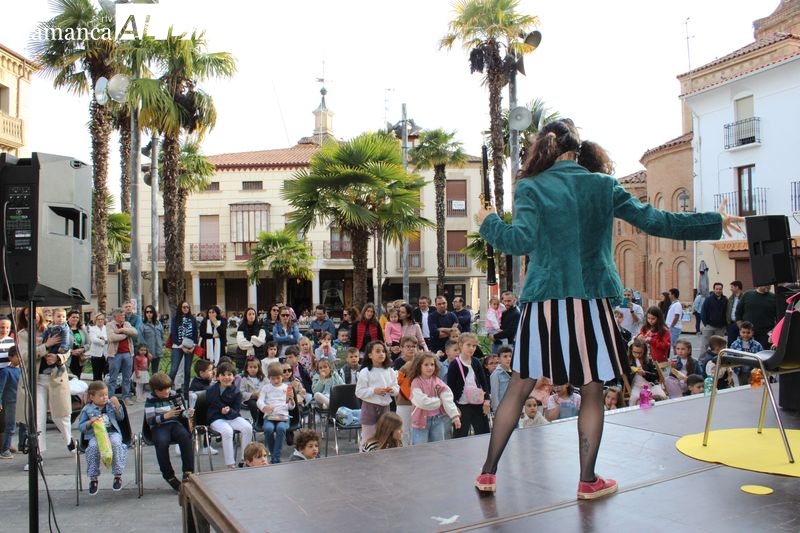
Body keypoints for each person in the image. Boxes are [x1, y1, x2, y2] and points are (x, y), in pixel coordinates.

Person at [474, 118, 742, 498]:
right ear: (579, 149)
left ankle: (487, 473)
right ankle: (587, 481)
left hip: (543, 301)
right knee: (593, 389)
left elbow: (520, 241)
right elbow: (655, 219)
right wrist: (714, 222)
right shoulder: (603, 185)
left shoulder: (530, 186)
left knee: (519, 386)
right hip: (590, 300)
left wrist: (488, 224)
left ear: (545, 148)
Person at [144, 373, 194, 490]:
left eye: (168, 388)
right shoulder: (150, 400)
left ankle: (188, 471)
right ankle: (168, 475)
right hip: (159, 426)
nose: (167, 391)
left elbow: (181, 413)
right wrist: (165, 416)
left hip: (175, 424)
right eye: (164, 390)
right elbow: (150, 420)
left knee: (186, 437)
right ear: (156, 391)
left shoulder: (174, 395)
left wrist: (188, 413)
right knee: (161, 442)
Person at [77, 381, 127, 494]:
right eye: (101, 395)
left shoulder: (110, 405)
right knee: (93, 447)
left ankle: (118, 475)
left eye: (106, 394)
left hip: (112, 432)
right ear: (92, 397)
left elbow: (121, 418)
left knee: (115, 443)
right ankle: (93, 478)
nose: (104, 397)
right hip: (96, 435)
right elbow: (81, 427)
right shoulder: (87, 409)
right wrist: (90, 422)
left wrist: (117, 405)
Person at [207, 362, 253, 468]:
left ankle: (245, 459)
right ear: (218, 377)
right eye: (223, 375)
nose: (226, 377)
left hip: (232, 416)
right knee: (227, 431)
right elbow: (212, 401)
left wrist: (229, 411)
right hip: (216, 418)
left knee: (248, 427)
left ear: (234, 376)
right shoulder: (211, 389)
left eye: (229, 375)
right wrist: (221, 409)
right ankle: (230, 463)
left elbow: (236, 410)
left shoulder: (237, 392)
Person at [408, 352, 460, 444]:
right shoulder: (416, 382)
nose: (430, 367)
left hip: (438, 419)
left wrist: (454, 416)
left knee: (438, 446)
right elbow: (421, 402)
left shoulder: (437, 381)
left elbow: (447, 398)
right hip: (420, 422)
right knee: (420, 448)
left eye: (432, 364)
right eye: (426, 365)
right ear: (419, 366)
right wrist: (439, 402)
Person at [447, 332, 490, 438]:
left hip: (477, 402)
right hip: (462, 404)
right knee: (461, 434)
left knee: (483, 432)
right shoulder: (454, 364)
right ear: (461, 345)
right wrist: (454, 406)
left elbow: (483, 382)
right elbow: (450, 387)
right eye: (469, 345)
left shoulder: (476, 362)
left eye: (474, 346)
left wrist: (487, 400)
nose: (472, 348)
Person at [355, 340, 398, 445]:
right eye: (378, 351)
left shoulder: (390, 371)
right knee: (368, 438)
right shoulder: (365, 372)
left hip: (386, 408)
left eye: (383, 351)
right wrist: (374, 391)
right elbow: (359, 392)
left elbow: (396, 387)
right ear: (370, 355)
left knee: (385, 438)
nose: (381, 354)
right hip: (369, 408)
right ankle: (366, 458)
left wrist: (392, 390)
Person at [257, 362, 295, 464]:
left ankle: (275, 458)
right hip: (269, 416)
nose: (276, 381)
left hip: (283, 416)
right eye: (273, 379)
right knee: (268, 429)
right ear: (269, 378)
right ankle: (275, 454)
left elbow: (291, 407)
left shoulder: (286, 388)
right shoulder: (266, 388)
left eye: (278, 378)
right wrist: (265, 407)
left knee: (281, 428)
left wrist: (291, 401)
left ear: (282, 376)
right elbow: (259, 401)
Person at [169, 302, 199, 399]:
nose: (186, 308)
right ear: (180, 308)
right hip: (178, 346)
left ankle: (186, 392)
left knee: (187, 370)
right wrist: (182, 346)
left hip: (190, 347)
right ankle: (166, 389)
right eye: (184, 307)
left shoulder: (192, 319)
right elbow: (173, 333)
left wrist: (193, 346)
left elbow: (195, 333)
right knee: (174, 369)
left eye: (187, 307)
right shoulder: (175, 319)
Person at [735, 286, 777, 350]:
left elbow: (779, 318)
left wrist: (772, 333)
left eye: (769, 284)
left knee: (763, 357)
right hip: (747, 335)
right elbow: (738, 314)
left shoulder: (774, 298)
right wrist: (742, 330)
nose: (768, 286)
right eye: (766, 284)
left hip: (765, 336)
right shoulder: (747, 295)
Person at [0, 347, 21, 458]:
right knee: (10, 426)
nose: (20, 358)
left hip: (21, 400)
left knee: (24, 424)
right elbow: (1, 388)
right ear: (10, 357)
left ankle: (22, 445)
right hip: (10, 402)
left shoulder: (23, 370)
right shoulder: (5, 371)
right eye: (17, 356)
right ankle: (5, 450)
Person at [729, 321, 764, 386]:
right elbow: (730, 356)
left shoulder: (757, 345)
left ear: (752, 332)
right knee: (743, 387)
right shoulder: (735, 344)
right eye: (743, 332)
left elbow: (761, 356)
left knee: (754, 386)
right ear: (740, 332)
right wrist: (733, 368)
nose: (745, 335)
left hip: (753, 370)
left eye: (748, 332)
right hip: (740, 371)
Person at [701, 283, 728, 348]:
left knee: (719, 345)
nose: (718, 291)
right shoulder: (708, 300)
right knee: (705, 344)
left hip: (720, 328)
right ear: (714, 290)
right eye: (717, 289)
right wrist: (706, 324)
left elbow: (727, 312)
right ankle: (702, 358)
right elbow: (703, 312)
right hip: (709, 326)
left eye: (720, 289)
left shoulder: (725, 300)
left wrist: (725, 325)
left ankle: (719, 358)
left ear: (722, 290)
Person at [139, 305, 164, 375]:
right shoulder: (142, 325)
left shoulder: (159, 324)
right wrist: (147, 352)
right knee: (144, 371)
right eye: (147, 312)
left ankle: (154, 385)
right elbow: (141, 340)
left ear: (154, 313)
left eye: (151, 312)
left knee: (155, 372)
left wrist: (161, 347)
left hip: (157, 352)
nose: (149, 314)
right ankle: (144, 385)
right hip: (147, 353)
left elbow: (162, 337)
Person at [240, 357, 265, 423]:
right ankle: (256, 420)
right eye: (250, 367)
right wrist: (252, 395)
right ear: (247, 368)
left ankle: (263, 418)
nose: (252, 369)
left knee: (263, 403)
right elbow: (242, 392)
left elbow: (268, 387)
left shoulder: (263, 378)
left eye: (255, 367)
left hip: (262, 397)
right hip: (251, 398)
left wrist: (261, 394)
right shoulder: (244, 379)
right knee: (253, 404)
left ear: (258, 368)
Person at [66, 310, 89, 378]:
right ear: (68, 318)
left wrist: (82, 349)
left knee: (77, 378)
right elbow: (61, 344)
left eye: (77, 317)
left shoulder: (82, 329)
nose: (75, 319)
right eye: (73, 317)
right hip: (68, 358)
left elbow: (88, 343)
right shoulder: (65, 329)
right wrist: (71, 352)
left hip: (79, 359)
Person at [490, 346, 513, 413]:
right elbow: (494, 394)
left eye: (510, 356)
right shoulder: (496, 374)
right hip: (503, 408)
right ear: (499, 359)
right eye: (505, 356)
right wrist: (496, 411)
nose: (508, 359)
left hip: (515, 406)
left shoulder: (515, 372)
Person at [87, 313, 109, 382]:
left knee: (107, 374)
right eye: (98, 319)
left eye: (102, 319)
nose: (100, 321)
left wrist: (102, 338)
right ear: (95, 320)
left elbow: (110, 338)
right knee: (97, 375)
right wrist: (105, 341)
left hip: (106, 354)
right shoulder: (92, 329)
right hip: (96, 354)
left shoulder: (107, 328)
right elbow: (93, 339)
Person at [726, 281, 744, 345]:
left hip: (741, 323)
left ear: (737, 287)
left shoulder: (744, 297)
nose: (730, 289)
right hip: (731, 324)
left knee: (742, 341)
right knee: (731, 342)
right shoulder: (730, 298)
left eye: (732, 287)